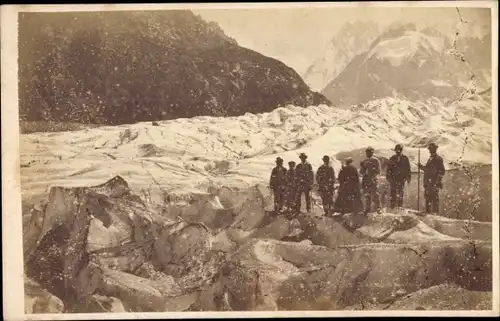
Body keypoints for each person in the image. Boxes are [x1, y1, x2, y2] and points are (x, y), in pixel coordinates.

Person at [418, 142, 445, 214]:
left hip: (433, 183)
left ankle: (435, 215)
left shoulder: (439, 159)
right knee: (428, 198)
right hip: (428, 183)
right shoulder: (430, 159)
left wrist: (437, 181)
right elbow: (428, 170)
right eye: (430, 149)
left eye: (431, 149)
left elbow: (442, 171)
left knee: (434, 199)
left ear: (435, 149)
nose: (430, 150)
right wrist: (421, 167)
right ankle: (428, 213)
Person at [386, 144, 411, 209]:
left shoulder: (405, 158)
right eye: (396, 150)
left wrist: (408, 177)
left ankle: (399, 207)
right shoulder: (392, 158)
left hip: (401, 179)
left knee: (400, 194)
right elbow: (388, 169)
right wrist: (389, 178)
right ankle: (393, 207)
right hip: (393, 179)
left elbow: (408, 169)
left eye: (399, 150)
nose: (397, 151)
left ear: (401, 150)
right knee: (393, 194)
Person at [360, 146, 382, 214]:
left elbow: (378, 171)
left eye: (369, 152)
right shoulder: (364, 161)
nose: (368, 153)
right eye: (367, 152)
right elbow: (362, 172)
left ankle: (379, 208)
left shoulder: (376, 160)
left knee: (375, 194)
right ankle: (367, 209)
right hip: (366, 180)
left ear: (372, 153)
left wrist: (373, 176)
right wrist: (362, 166)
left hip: (373, 180)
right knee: (367, 195)